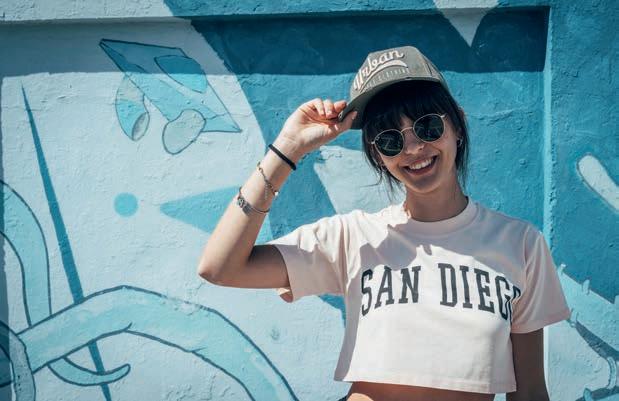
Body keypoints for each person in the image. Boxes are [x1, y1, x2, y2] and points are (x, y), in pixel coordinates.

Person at [197, 46, 571, 401]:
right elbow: (220, 267)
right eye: (390, 140)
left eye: (427, 127)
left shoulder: (520, 244)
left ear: (457, 124)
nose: (413, 148)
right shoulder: (353, 238)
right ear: (377, 155)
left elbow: (530, 393)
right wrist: (288, 148)